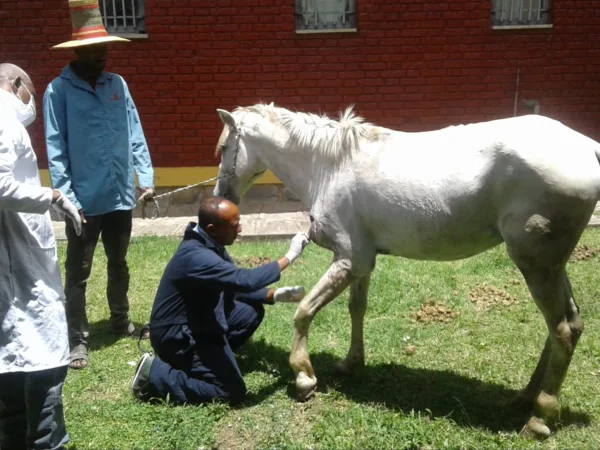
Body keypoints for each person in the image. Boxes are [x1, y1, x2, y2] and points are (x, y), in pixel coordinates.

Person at [43, 0, 155, 370]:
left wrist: (145, 180)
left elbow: (135, 132)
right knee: (78, 273)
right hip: (83, 203)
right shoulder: (57, 92)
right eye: (95, 50)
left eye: (105, 48)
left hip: (120, 195)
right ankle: (77, 340)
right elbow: (55, 148)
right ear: (78, 51)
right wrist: (68, 200)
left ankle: (120, 320)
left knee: (119, 264)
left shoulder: (117, 85)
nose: (103, 55)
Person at [131, 197, 310, 405]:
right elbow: (244, 280)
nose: (240, 229)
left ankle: (210, 362)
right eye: (234, 226)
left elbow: (232, 285)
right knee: (230, 392)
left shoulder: (209, 243)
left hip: (200, 322)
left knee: (251, 312)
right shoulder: (196, 256)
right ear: (212, 229)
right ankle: (154, 374)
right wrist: (291, 255)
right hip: (177, 336)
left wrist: (274, 295)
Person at [0, 63, 82, 450]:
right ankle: (48, 441)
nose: (31, 103)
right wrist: (52, 196)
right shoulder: (5, 118)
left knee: (13, 363)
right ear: (16, 85)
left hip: (16, 259)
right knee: (45, 357)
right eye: (30, 91)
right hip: (19, 266)